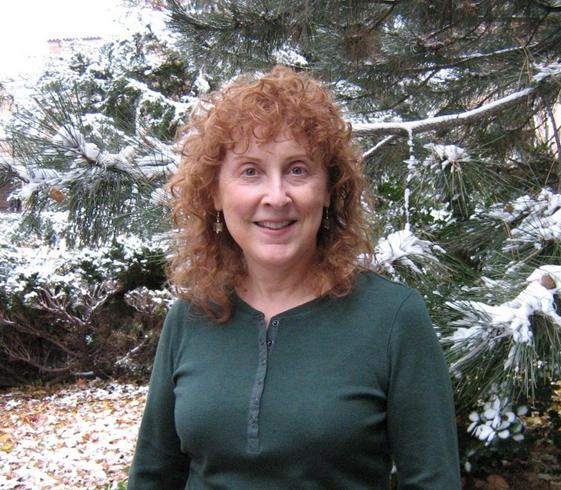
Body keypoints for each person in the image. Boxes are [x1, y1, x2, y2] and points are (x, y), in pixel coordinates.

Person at [128, 66, 461, 489]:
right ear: (215, 193)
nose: (276, 197)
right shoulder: (191, 316)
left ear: (328, 189)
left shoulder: (393, 318)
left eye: (298, 170)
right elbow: (153, 476)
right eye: (250, 171)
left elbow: (433, 482)